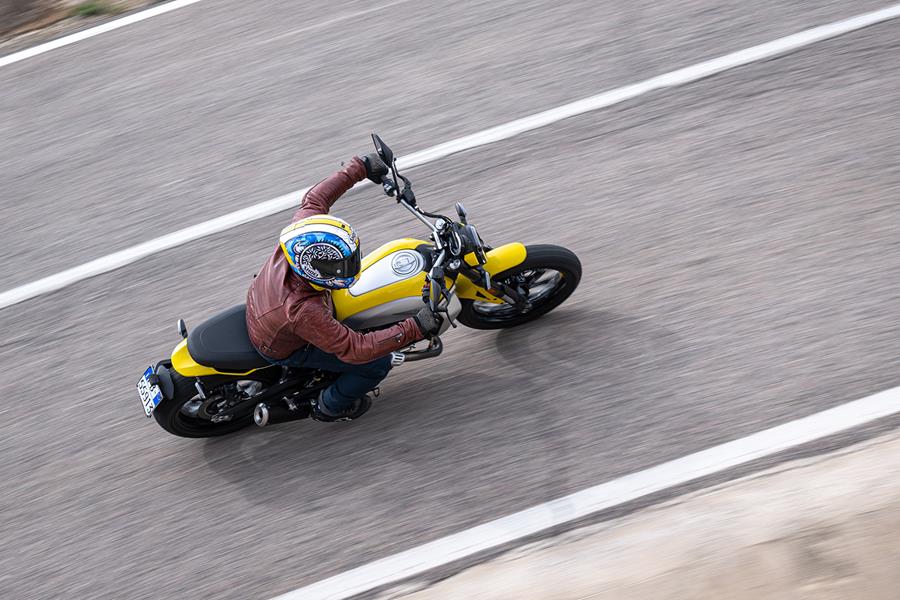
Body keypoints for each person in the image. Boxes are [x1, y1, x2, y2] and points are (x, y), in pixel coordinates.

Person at [246, 153, 443, 422]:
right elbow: (355, 349)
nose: (351, 267)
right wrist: (414, 328)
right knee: (375, 364)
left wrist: (359, 168)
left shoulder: (302, 234)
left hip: (264, 303)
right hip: (280, 345)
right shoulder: (304, 310)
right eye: (342, 266)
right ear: (314, 269)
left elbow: (315, 199)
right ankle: (330, 407)